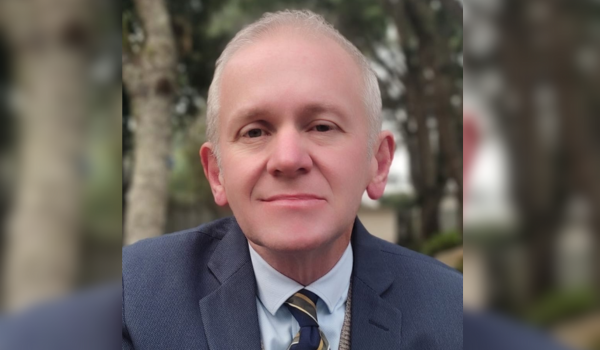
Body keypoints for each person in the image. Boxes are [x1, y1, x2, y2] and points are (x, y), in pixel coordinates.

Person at [122, 10, 462, 350]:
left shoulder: (454, 313)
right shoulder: (132, 298)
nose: (288, 159)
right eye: (254, 131)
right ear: (216, 173)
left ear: (379, 162)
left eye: (322, 127)